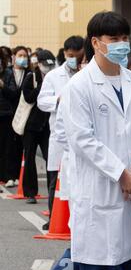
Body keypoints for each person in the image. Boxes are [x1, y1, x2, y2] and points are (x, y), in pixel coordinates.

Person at [61, 11, 131, 270]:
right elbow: (82, 140)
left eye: (125, 38)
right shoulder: (79, 87)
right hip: (101, 199)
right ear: (96, 42)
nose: (122, 44)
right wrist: (121, 174)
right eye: (113, 39)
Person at [37, 35, 84, 230]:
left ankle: (77, 219)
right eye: (71, 56)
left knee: (79, 179)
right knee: (54, 179)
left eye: (78, 56)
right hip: (59, 137)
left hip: (82, 136)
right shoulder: (54, 76)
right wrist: (59, 100)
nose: (75, 60)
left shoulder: (87, 73)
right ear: (65, 53)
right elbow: (41, 101)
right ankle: (54, 216)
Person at [21, 50, 55, 204]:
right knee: (29, 158)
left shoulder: (55, 77)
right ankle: (30, 192)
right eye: (45, 64)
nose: (48, 68)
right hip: (31, 125)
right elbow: (28, 98)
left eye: (50, 64)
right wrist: (42, 86)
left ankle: (51, 191)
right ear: (39, 63)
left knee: (50, 158)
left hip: (47, 125)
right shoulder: (31, 77)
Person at [3, 46, 30, 188]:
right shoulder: (7, 73)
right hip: (8, 114)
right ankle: (9, 176)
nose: (23, 58)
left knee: (20, 146)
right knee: (9, 146)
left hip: (24, 114)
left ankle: (19, 175)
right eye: (20, 55)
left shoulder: (29, 73)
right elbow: (9, 94)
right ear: (13, 57)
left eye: (25, 56)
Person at [0, 49, 16, 185]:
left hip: (5, 114)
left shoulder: (8, 74)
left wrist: (2, 85)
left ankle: (7, 175)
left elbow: (13, 94)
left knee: (6, 146)